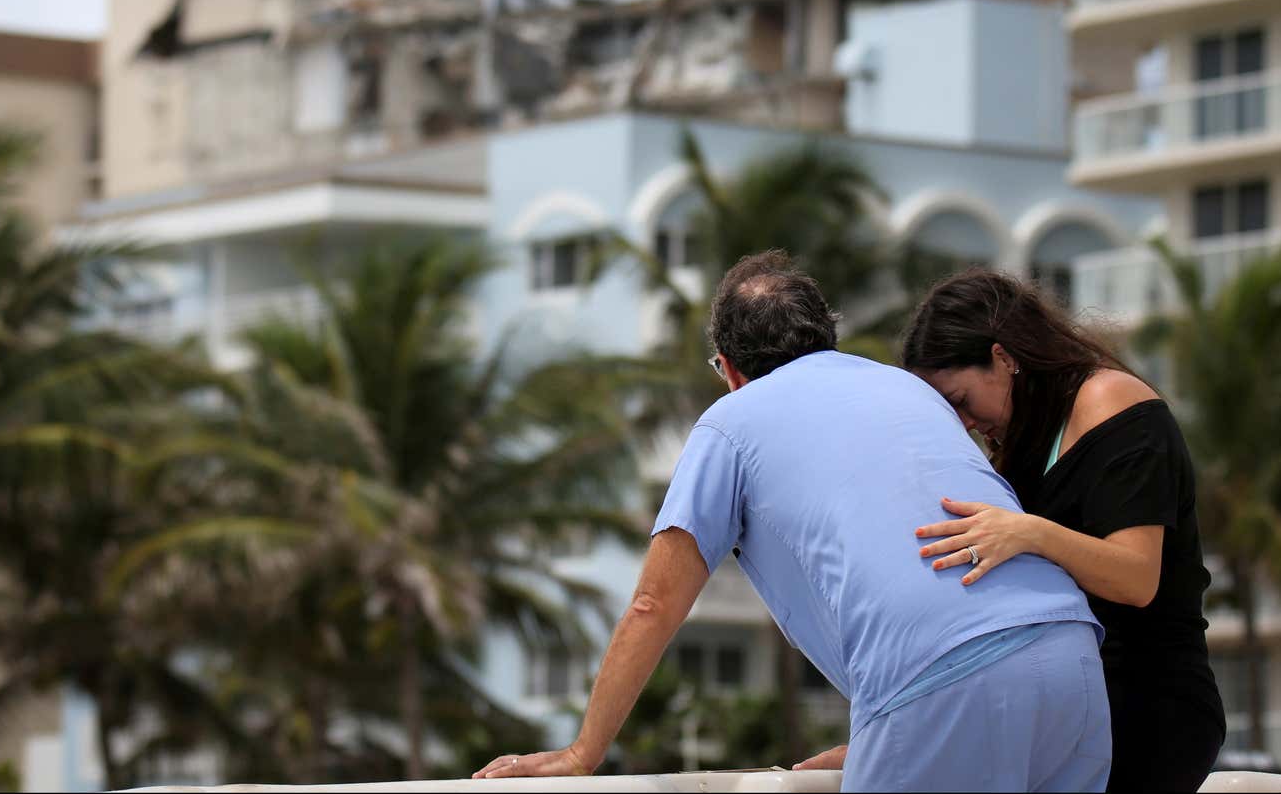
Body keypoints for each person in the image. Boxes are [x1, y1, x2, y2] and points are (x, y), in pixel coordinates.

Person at [475, 251, 1111, 792]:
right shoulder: (908, 388)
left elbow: (653, 605)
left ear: (728, 368)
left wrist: (581, 753)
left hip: (940, 684)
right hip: (1070, 659)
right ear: (825, 336)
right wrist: (882, 729)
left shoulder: (733, 421)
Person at [898, 268, 1224, 792]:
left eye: (960, 401)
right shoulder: (1020, 447)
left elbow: (1137, 578)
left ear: (1003, 359)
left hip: (1148, 706)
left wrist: (1030, 532)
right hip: (1064, 711)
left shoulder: (1112, 401)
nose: (963, 423)